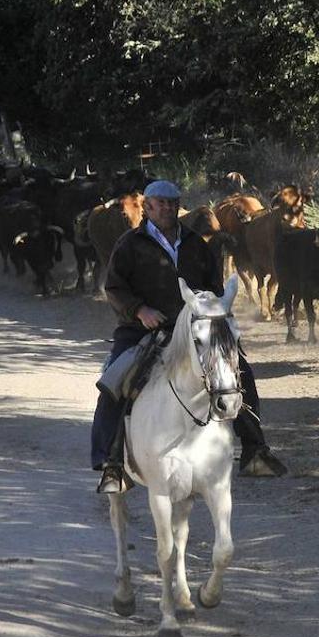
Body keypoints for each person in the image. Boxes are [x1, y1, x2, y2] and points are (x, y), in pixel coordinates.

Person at [91, 179, 288, 494]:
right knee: (115, 381)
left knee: (240, 374)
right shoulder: (129, 244)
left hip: (198, 326)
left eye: (173, 203)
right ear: (148, 207)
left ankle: (255, 450)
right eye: (161, 204)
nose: (168, 209)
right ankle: (111, 463)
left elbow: (214, 286)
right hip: (144, 327)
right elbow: (114, 287)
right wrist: (139, 310)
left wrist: (214, 313)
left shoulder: (196, 244)